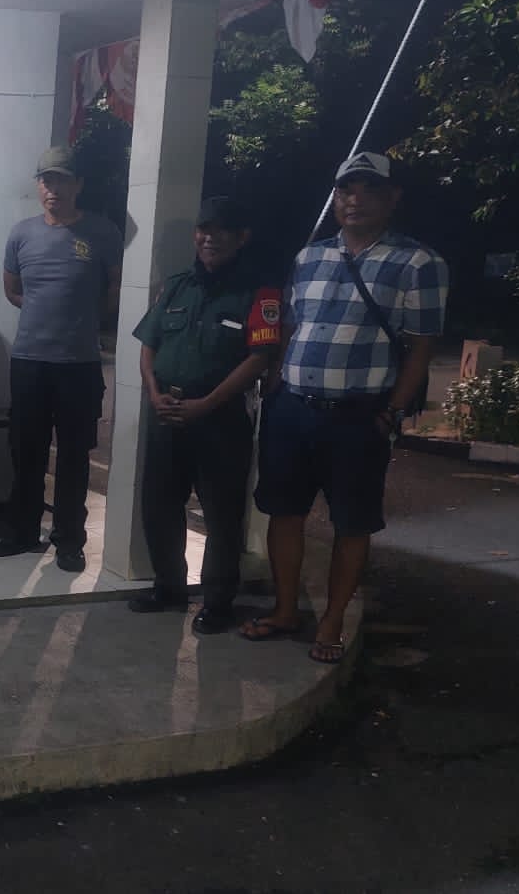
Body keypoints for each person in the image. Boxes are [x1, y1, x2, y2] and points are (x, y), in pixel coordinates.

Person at [243, 152, 447, 663]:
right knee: (283, 512)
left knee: (352, 523)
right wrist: (275, 382)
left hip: (359, 416)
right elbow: (291, 326)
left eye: (368, 189)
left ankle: (332, 619)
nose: (354, 200)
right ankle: (285, 609)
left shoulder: (418, 263)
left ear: (392, 198)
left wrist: (392, 412)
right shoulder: (309, 257)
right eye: (345, 190)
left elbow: (421, 348)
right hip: (292, 409)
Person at [127, 197, 281, 633]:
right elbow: (149, 344)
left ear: (241, 237)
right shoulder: (177, 286)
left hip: (220, 418)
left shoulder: (259, 292)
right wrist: (154, 393)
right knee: (159, 505)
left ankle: (217, 601)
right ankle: (168, 587)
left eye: (221, 230)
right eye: (203, 229)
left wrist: (207, 403)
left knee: (221, 514)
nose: (209, 238)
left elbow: (260, 357)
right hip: (167, 411)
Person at [0, 146, 124, 573]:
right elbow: (13, 289)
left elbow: (115, 288)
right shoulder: (21, 234)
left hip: (79, 364)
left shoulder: (102, 232)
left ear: (78, 184)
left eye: (62, 179)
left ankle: (68, 539)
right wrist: (43, 311)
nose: (53, 188)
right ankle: (22, 531)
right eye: (46, 180)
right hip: (29, 360)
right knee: (26, 451)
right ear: (38, 185)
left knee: (73, 456)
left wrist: (82, 320)